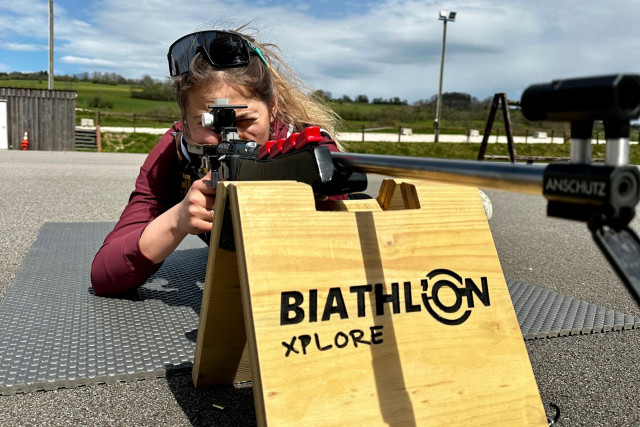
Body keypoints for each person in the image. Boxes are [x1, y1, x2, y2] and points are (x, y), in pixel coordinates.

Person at [91, 27, 344, 296]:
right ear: (184, 120)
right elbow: (106, 275)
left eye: (245, 120)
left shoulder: (304, 148)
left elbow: (344, 256)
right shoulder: (176, 149)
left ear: (273, 108)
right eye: (210, 123)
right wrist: (178, 219)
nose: (229, 136)